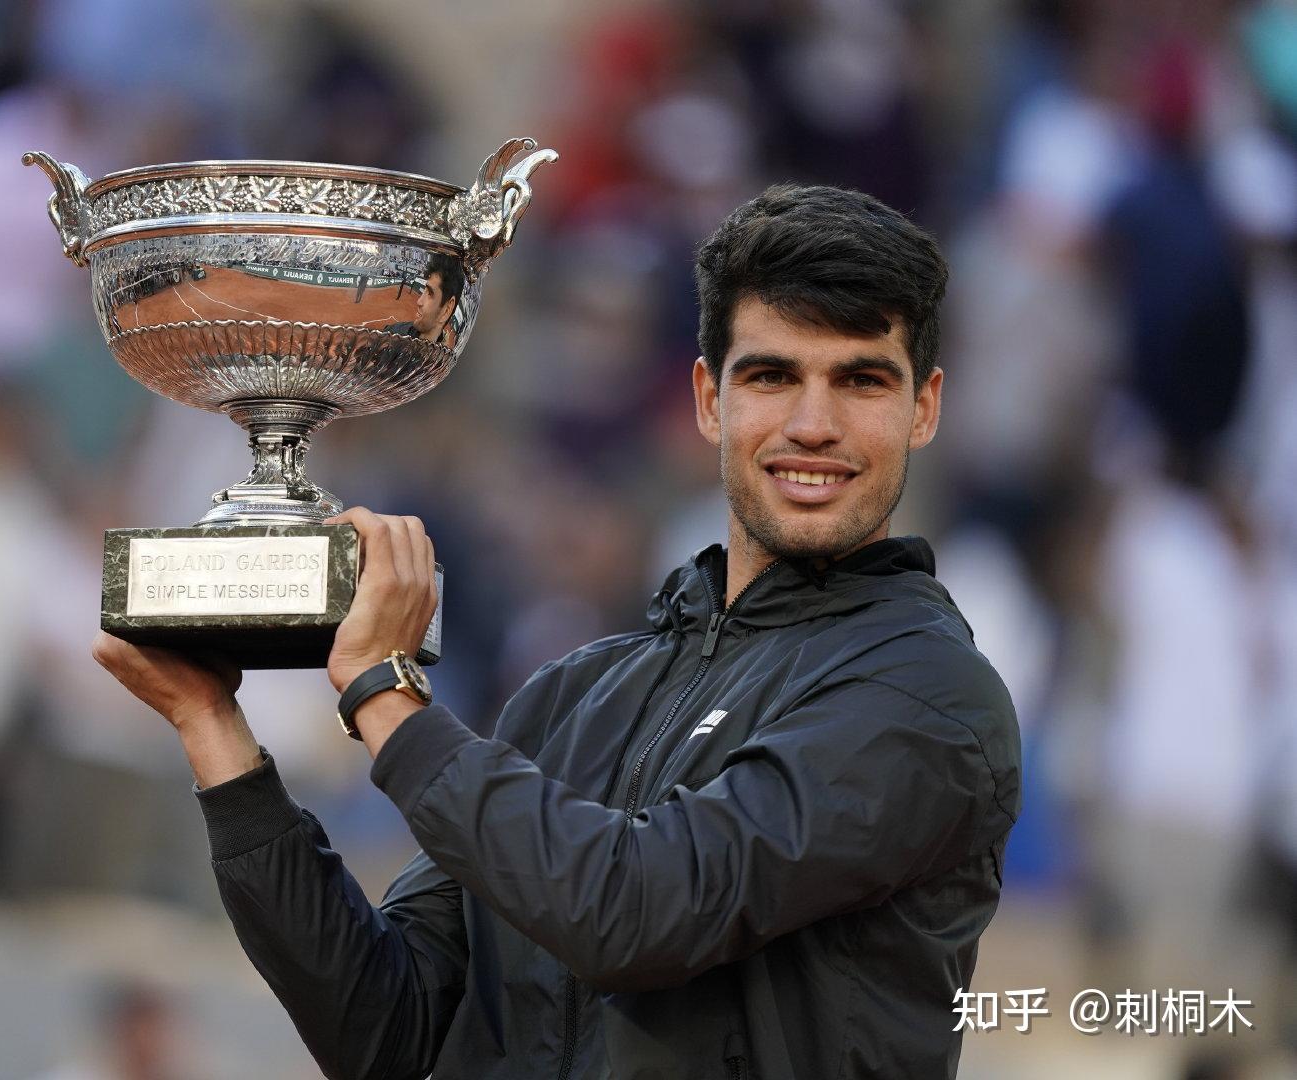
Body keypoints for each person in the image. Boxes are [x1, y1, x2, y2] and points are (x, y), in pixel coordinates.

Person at [93, 184, 1022, 1079]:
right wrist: (212, 727)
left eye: (861, 380)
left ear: (924, 407)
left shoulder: (929, 696)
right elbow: (383, 1031)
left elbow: (641, 911)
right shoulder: (576, 693)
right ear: (709, 400)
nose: (813, 425)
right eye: (772, 376)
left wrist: (384, 691)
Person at [387, 251, 464, 344]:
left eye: (430, 293)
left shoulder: (443, 355)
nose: (419, 302)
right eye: (425, 290)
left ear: (447, 309)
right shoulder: (392, 335)